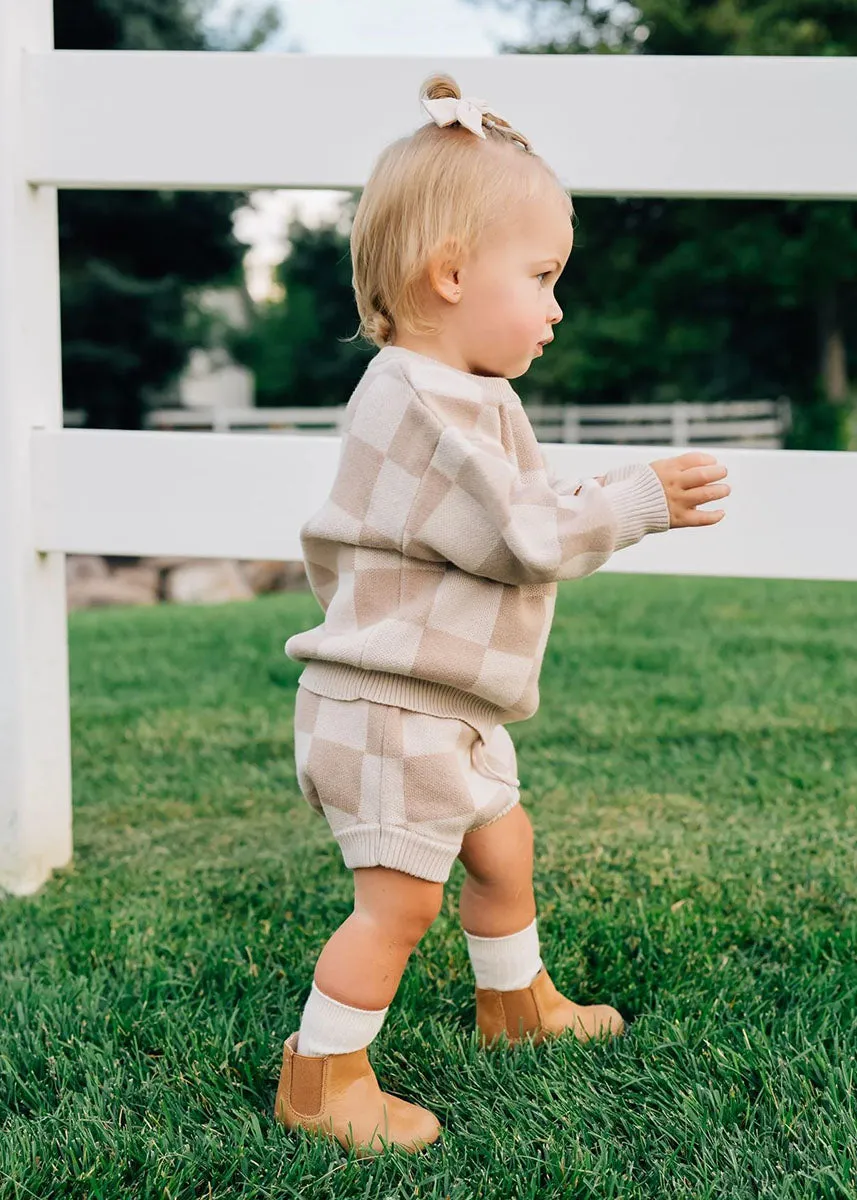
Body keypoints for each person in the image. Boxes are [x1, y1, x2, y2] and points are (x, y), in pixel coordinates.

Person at [273, 74, 730, 1156]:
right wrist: (635, 503)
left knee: (502, 847)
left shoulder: (459, 392)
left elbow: (509, 518)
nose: (555, 305)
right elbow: (522, 534)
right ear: (449, 275)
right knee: (395, 906)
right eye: (541, 276)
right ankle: (319, 1074)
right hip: (390, 710)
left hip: (445, 708)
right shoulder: (419, 401)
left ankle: (513, 1004)